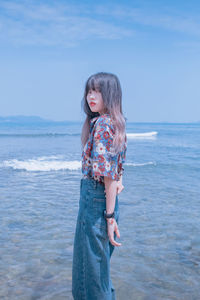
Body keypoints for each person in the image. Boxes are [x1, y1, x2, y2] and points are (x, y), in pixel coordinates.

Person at [72, 72, 127, 300]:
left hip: (97, 203)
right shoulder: (112, 122)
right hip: (103, 201)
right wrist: (111, 210)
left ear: (110, 95)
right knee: (99, 272)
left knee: (89, 277)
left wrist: (109, 216)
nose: (90, 96)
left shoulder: (103, 124)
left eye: (97, 91)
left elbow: (108, 176)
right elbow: (117, 174)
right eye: (89, 91)